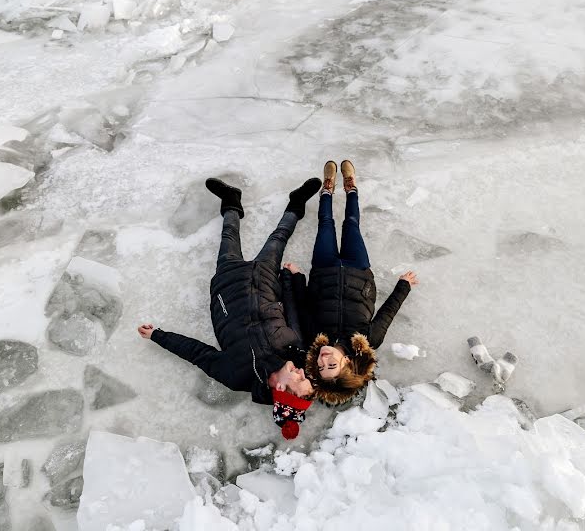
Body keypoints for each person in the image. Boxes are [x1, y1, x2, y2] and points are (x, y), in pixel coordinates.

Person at [137, 176, 321, 439]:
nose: (302, 372)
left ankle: (231, 201)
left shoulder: (237, 376)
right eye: (305, 376)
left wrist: (158, 335)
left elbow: (198, 354)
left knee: (228, 236)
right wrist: (289, 279)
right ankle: (297, 202)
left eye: (299, 380)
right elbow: (292, 309)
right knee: (278, 238)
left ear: (281, 388)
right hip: (265, 278)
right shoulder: (295, 349)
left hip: (228, 284)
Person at [284, 160, 419, 405]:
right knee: (351, 224)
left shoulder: (314, 338)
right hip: (358, 269)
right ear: (346, 362)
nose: (323, 359)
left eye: (321, 366)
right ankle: (351, 188)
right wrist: (403, 286)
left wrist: (296, 277)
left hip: (323, 270)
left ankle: (327, 189)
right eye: (331, 364)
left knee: (325, 224)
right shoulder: (369, 340)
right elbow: (387, 314)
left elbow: (302, 305)